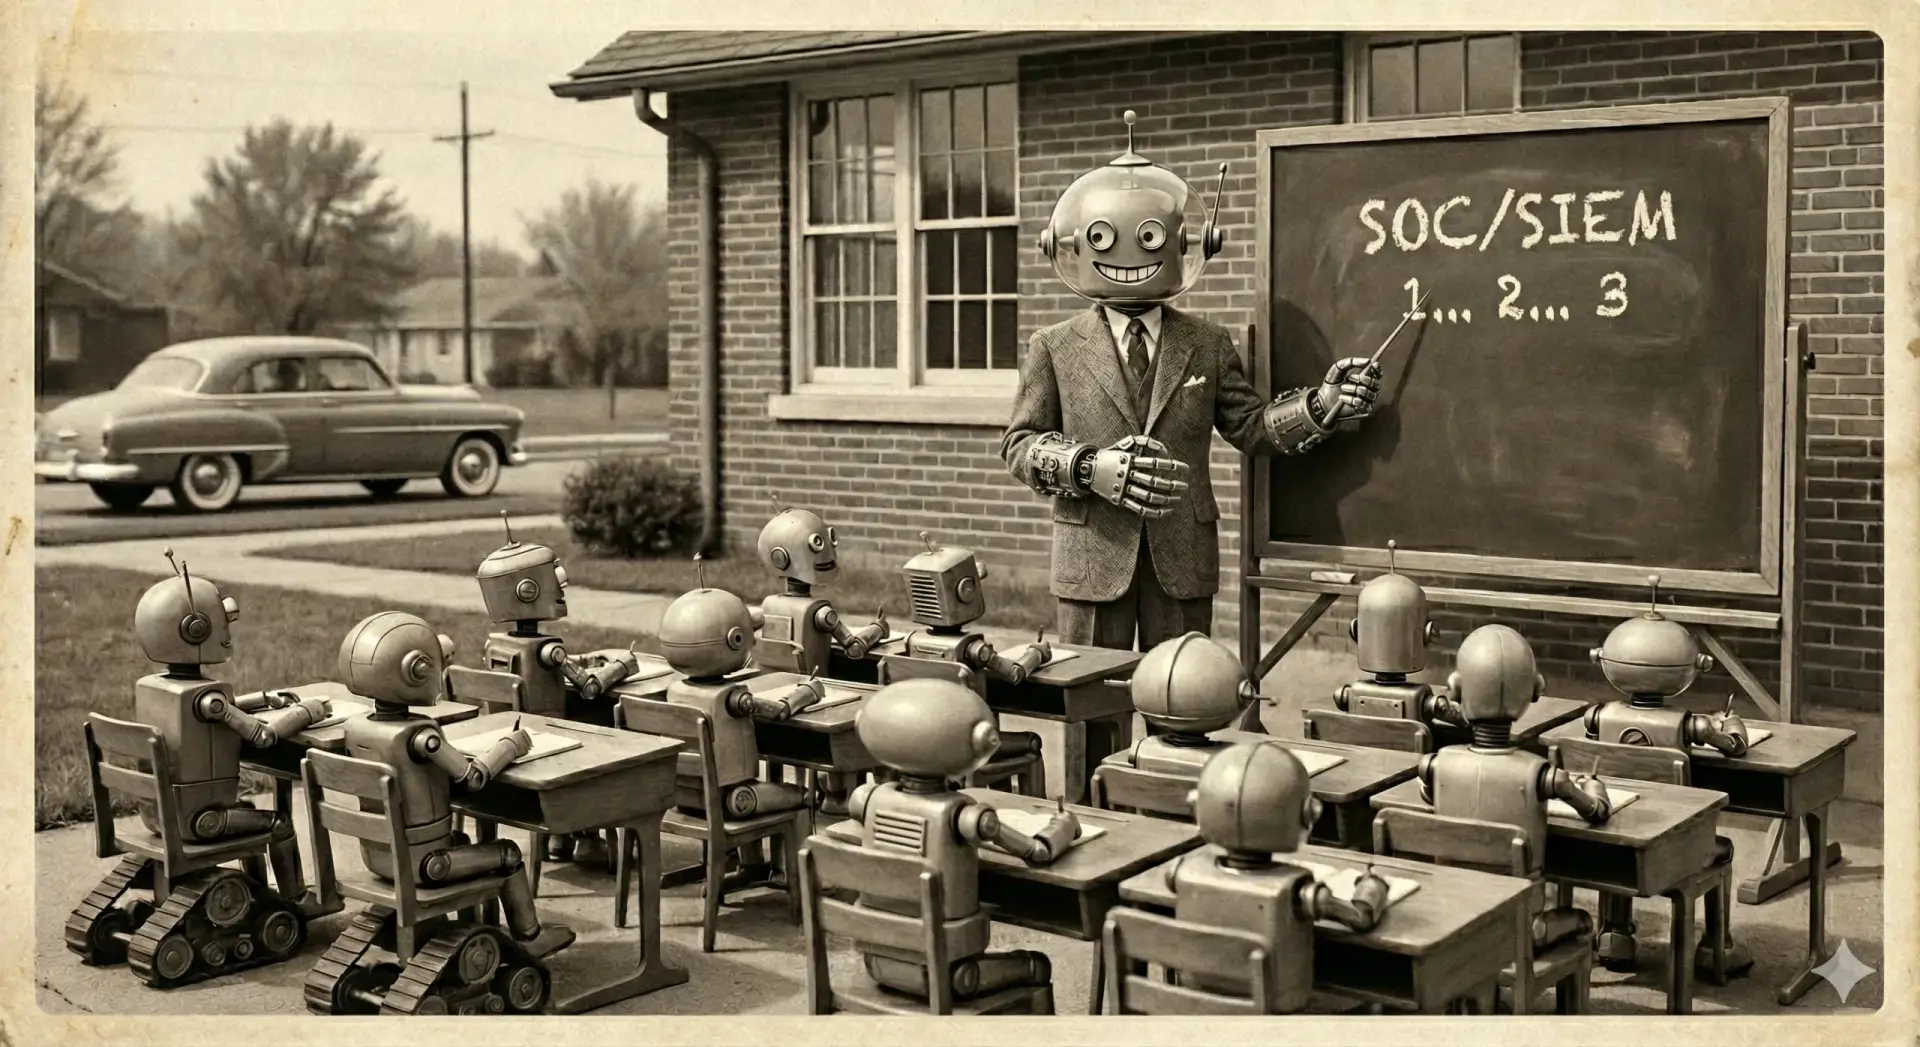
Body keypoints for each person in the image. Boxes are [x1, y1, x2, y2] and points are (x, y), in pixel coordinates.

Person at [1002, 110, 1382, 652]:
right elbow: (1019, 444)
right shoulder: (1054, 345)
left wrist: (1321, 404)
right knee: (1090, 690)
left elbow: (1251, 427)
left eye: (1150, 237)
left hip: (1181, 557)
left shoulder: (1206, 342)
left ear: (1185, 243)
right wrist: (1089, 467)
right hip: (1092, 558)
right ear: (1074, 244)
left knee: (1184, 691)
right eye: (1104, 239)